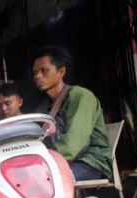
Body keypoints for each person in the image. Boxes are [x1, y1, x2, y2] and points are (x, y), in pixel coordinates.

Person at [32, 45, 112, 181]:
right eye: (35, 72)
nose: (38, 76)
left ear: (61, 71)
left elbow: (73, 143)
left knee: (51, 181)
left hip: (90, 161)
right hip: (62, 161)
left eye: (44, 71)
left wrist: (42, 162)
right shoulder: (43, 108)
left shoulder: (81, 97)